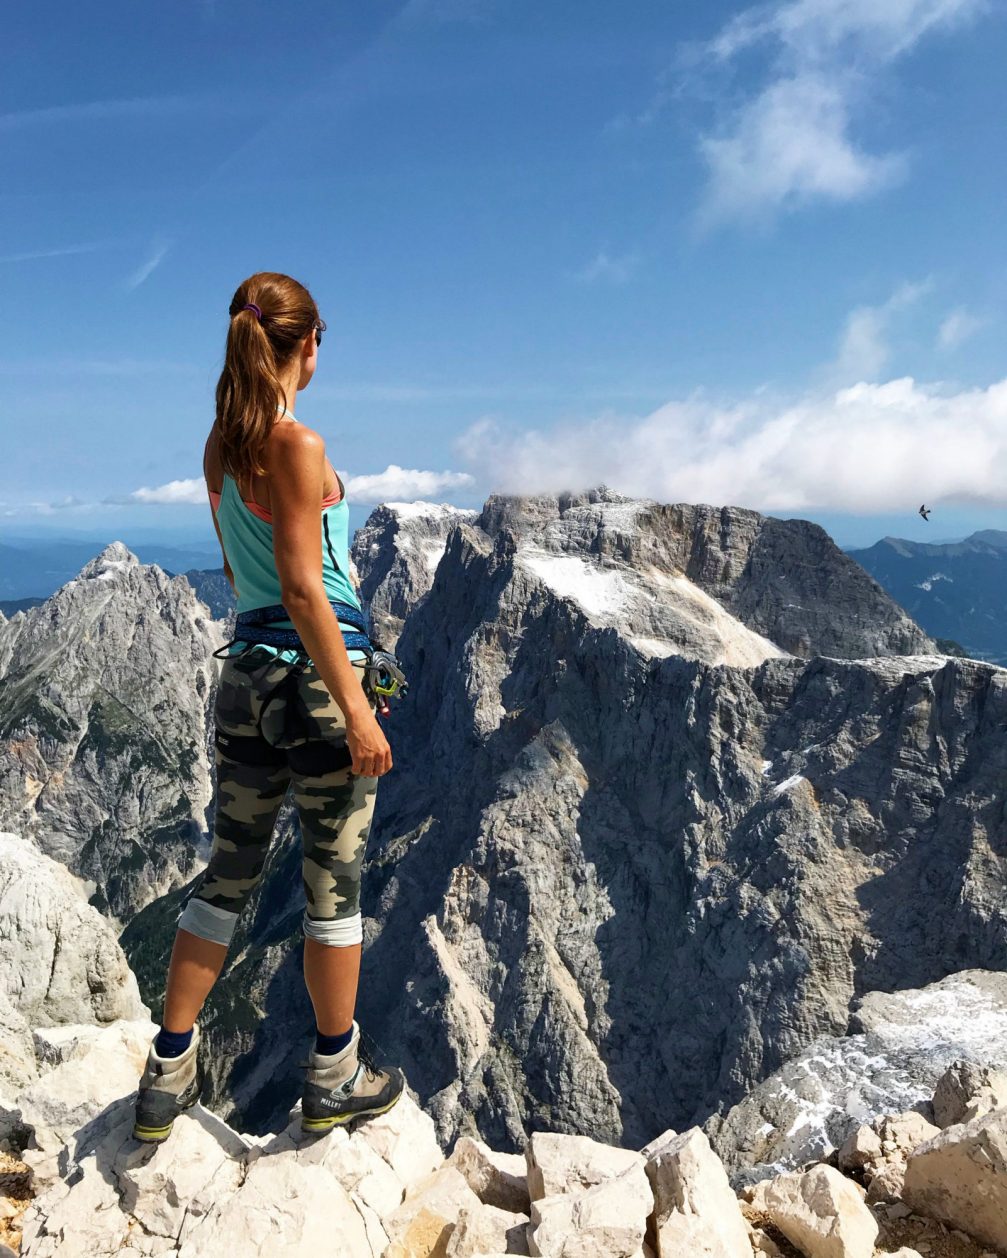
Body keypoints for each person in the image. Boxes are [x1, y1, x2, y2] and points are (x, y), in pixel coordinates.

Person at [133, 271, 404, 1143]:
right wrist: (357, 707)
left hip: (243, 680)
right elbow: (300, 585)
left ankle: (165, 1071)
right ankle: (335, 1072)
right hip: (318, 682)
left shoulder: (218, 449)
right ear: (308, 345)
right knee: (334, 885)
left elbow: (250, 576)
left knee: (227, 874)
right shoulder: (300, 445)